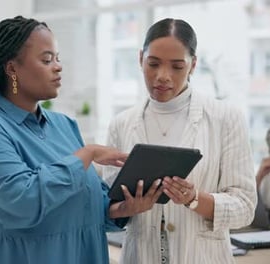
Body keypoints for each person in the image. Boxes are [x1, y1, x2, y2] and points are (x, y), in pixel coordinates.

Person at [0, 16, 163, 264]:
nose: (58, 67)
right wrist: (86, 155)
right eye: (47, 60)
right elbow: (21, 203)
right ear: (12, 69)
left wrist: (122, 209)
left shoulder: (64, 125)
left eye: (57, 58)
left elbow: (85, 206)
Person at [103, 18, 257, 264]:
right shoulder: (121, 124)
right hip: (140, 256)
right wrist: (127, 208)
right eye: (153, 64)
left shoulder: (225, 118)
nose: (163, 76)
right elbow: (108, 206)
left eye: (177, 66)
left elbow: (245, 207)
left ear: (193, 65)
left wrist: (195, 199)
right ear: (140, 58)